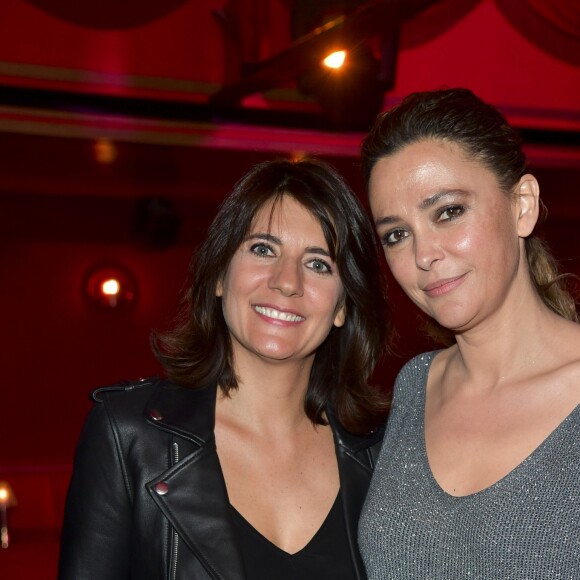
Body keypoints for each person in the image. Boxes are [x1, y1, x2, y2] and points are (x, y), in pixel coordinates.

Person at [58, 157, 392, 580]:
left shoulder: (384, 453)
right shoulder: (129, 438)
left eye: (318, 264)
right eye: (263, 249)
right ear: (219, 275)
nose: (287, 281)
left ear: (343, 305)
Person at [357, 88, 580, 578]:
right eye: (396, 234)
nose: (423, 254)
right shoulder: (416, 386)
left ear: (521, 205)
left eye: (448, 212)